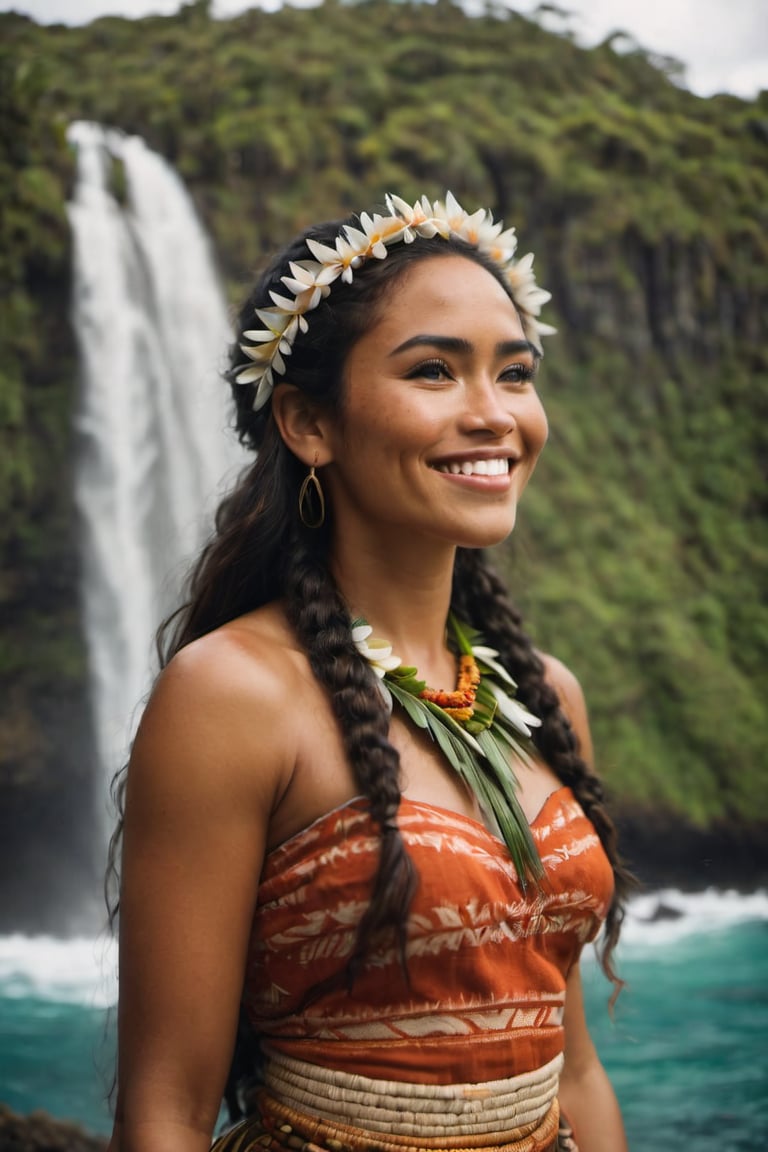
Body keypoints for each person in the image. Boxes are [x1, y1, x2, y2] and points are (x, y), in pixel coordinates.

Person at [106, 193, 634, 1152]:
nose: (493, 415)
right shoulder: (233, 696)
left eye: (514, 374)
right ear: (309, 422)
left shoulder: (545, 697)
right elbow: (164, 1110)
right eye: (434, 370)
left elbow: (578, 1070)